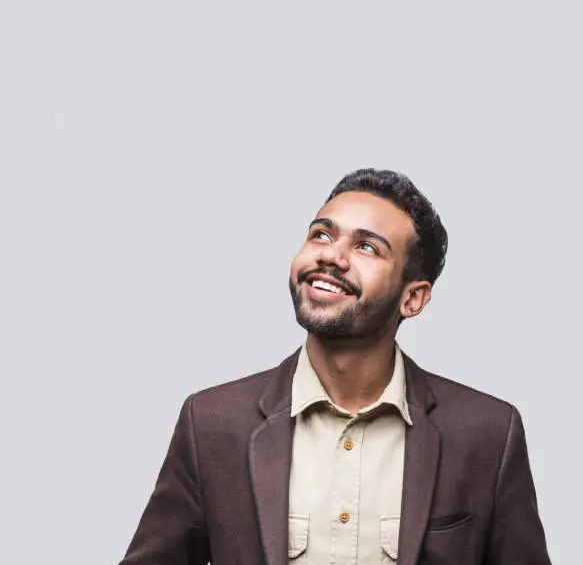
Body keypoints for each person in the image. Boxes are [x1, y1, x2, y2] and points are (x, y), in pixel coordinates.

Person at [119, 168, 551, 565]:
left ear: (413, 298)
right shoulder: (211, 423)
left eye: (366, 247)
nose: (332, 257)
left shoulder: (488, 434)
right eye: (321, 235)